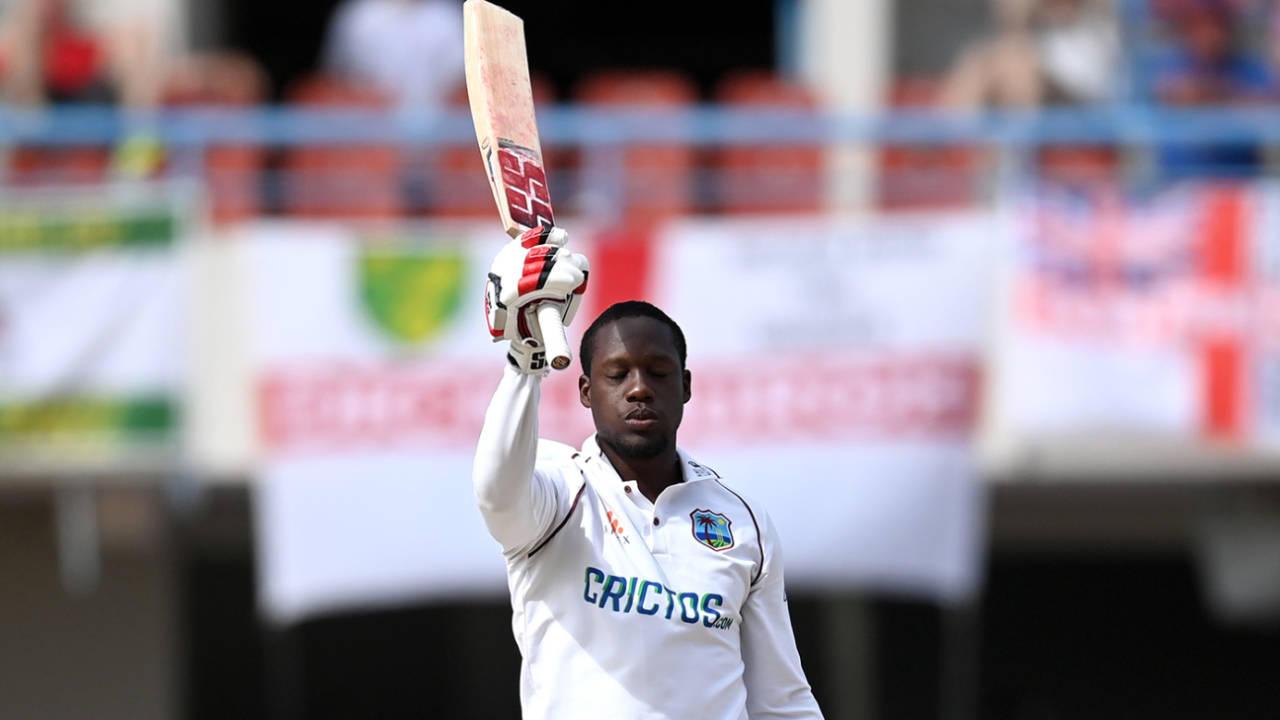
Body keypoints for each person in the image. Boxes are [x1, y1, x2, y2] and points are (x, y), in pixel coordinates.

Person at [472, 226, 824, 719]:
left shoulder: (741, 520)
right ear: (586, 391)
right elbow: (496, 495)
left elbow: (781, 700)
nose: (638, 388)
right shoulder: (559, 492)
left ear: (685, 386)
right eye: (617, 374)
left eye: (657, 372)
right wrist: (524, 361)